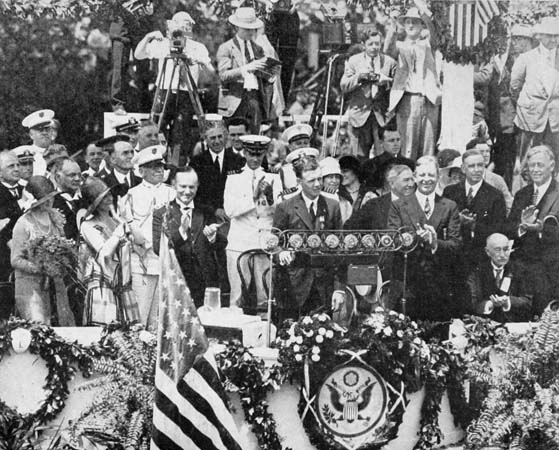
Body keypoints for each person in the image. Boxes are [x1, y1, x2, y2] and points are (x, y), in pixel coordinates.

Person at [388, 156, 461, 321]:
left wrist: (435, 242)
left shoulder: (449, 207)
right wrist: (416, 238)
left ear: (438, 177)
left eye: (431, 175)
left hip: (439, 287)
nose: (426, 180)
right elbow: (393, 240)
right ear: (414, 177)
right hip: (407, 285)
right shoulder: (399, 205)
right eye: (422, 175)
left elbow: (456, 244)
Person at [135, 11, 214, 159]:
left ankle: (176, 163)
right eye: (184, 22)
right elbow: (138, 55)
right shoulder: (163, 44)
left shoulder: (197, 47)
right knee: (157, 127)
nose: (187, 26)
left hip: (187, 93)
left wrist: (196, 60)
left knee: (181, 132)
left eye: (189, 23)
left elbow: (211, 73)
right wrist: (148, 37)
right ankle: (156, 159)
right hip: (164, 91)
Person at [273, 157, 342, 315]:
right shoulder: (286, 207)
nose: (317, 184)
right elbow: (274, 241)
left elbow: (340, 251)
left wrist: (339, 289)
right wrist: (281, 253)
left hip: (324, 287)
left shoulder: (332, 207)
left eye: (319, 179)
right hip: (293, 285)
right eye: (311, 180)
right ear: (299, 181)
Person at [119, 145, 175, 329]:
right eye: (153, 167)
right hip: (141, 259)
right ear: (141, 171)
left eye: (160, 166)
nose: (159, 170)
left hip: (165, 259)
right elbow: (127, 228)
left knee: (160, 315)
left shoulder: (171, 192)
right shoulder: (132, 194)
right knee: (140, 312)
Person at [152, 167, 225, 307]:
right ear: (174, 185)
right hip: (176, 279)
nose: (187, 191)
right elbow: (158, 247)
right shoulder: (162, 212)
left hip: (205, 280)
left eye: (192, 187)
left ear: (197, 187)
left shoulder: (205, 211)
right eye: (183, 186)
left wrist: (213, 238)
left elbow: (222, 243)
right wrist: (181, 232)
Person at [223, 135, 281, 310]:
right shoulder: (234, 178)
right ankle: (235, 336)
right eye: (251, 154)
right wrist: (253, 197)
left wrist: (270, 198)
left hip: (265, 242)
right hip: (240, 243)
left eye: (259, 154)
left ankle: (265, 334)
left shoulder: (274, 177)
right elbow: (230, 210)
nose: (255, 159)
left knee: (266, 297)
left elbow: (281, 211)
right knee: (237, 296)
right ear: (244, 153)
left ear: (264, 154)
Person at [474, 24, 535, 188]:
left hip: (516, 118)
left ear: (530, 42)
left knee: (511, 160)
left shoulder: (532, 61)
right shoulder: (501, 58)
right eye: (514, 39)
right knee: (494, 158)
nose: (515, 43)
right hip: (496, 117)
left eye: (520, 39)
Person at [10, 176, 75, 325]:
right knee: (39, 325)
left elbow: (62, 245)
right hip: (30, 284)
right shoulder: (23, 223)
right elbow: (15, 260)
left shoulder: (55, 217)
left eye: (51, 197)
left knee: (62, 321)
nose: (49, 202)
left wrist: (59, 262)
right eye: (45, 199)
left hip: (54, 282)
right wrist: (41, 268)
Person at [78, 176, 141, 325]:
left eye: (109, 195)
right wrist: (119, 232)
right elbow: (104, 253)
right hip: (103, 287)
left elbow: (139, 242)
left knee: (130, 336)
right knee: (104, 334)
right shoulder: (88, 225)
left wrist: (127, 220)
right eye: (103, 197)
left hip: (124, 287)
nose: (109, 199)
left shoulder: (116, 221)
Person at [384, 0, 441, 160]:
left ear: (421, 25)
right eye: (408, 22)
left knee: (428, 146)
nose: (411, 25)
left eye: (415, 22)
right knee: (407, 147)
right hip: (407, 99)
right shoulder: (400, 45)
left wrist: (424, 13)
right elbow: (387, 50)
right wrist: (393, 22)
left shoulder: (428, 44)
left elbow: (434, 32)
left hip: (429, 99)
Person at [506, 145, 559, 315]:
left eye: (540, 165)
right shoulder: (522, 194)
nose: (535, 170)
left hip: (550, 270)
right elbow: (509, 228)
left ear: (551, 166)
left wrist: (540, 229)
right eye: (532, 165)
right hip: (522, 271)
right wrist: (521, 227)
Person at [443, 149, 506, 271]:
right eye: (472, 166)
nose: (477, 170)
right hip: (452, 258)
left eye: (480, 165)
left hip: (480, 259)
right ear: (463, 168)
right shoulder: (450, 192)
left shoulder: (495, 196)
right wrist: (457, 219)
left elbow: (499, 229)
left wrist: (474, 226)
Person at [216, 7, 276, 134]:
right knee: (234, 137)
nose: (251, 32)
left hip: (255, 98)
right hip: (235, 98)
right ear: (237, 28)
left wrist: (268, 75)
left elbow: (260, 73)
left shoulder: (258, 48)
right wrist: (246, 68)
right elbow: (223, 75)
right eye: (247, 29)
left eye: (253, 29)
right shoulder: (226, 48)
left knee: (254, 136)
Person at [340, 28, 396, 158]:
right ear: (363, 44)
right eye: (371, 44)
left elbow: (398, 86)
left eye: (377, 43)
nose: (374, 47)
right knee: (358, 157)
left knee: (383, 157)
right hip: (359, 115)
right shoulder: (354, 61)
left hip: (381, 117)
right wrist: (359, 77)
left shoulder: (390, 62)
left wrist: (386, 81)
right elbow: (344, 85)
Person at [511, 17, 559, 163]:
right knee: (526, 159)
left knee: (554, 159)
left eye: (556, 36)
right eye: (549, 35)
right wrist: (528, 105)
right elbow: (514, 87)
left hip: (556, 119)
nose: (553, 39)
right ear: (540, 36)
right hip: (530, 118)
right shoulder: (526, 58)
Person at [467, 233, 533, 322]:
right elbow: (472, 302)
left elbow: (528, 301)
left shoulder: (520, 270)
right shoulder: (477, 272)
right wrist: (490, 304)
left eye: (506, 249)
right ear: (487, 251)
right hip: (485, 324)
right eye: (497, 250)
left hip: (514, 325)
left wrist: (508, 302)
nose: (502, 255)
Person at [190, 118, 246, 221]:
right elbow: (194, 194)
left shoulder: (238, 161)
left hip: (233, 217)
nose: (217, 141)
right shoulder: (197, 162)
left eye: (220, 137)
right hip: (205, 216)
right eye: (212, 138)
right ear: (205, 139)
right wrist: (214, 210)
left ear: (225, 136)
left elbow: (242, 192)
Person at [345, 164, 415, 230]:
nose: (411, 184)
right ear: (392, 184)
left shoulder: (419, 202)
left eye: (412, 180)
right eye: (406, 180)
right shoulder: (374, 205)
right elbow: (350, 227)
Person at [0, 151, 23, 319]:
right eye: (11, 166)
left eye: (18, 165)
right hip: (4, 259)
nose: (16, 169)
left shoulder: (27, 190)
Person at [361, 125, 415, 194]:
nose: (396, 144)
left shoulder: (409, 164)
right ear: (381, 143)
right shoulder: (371, 165)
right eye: (391, 141)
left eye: (398, 140)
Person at [101, 139, 142, 207]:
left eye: (132, 152)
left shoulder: (141, 182)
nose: (130, 156)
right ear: (113, 159)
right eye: (125, 153)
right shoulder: (103, 185)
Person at [52, 158, 84, 242]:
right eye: (72, 175)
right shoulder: (50, 203)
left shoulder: (86, 200)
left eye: (79, 175)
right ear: (58, 177)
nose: (77, 179)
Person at [476, 142, 514, 213]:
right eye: (481, 152)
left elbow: (509, 205)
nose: (485, 155)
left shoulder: (497, 180)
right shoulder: (464, 178)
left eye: (487, 151)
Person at [21, 109, 56, 176]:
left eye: (47, 129)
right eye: (40, 130)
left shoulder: (60, 152)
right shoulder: (26, 156)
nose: (44, 133)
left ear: (52, 132)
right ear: (31, 135)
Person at [320, 157, 352, 224]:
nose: (334, 181)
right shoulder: (315, 198)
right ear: (322, 179)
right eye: (330, 177)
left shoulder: (345, 202)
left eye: (337, 177)